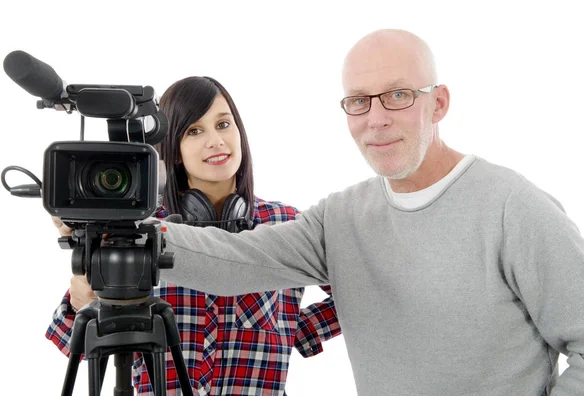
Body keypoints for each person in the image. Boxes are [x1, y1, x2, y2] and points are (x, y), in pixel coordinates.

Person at [156, 30, 584, 395]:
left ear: (438, 104)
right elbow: (232, 261)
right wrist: (121, 233)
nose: (376, 119)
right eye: (359, 101)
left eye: (397, 96)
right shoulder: (339, 218)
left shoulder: (512, 206)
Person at [46, 76, 341, 396]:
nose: (215, 141)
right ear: (173, 151)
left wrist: (299, 330)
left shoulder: (285, 224)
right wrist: (80, 301)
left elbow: (357, 286)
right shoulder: (142, 232)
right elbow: (67, 335)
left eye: (224, 124)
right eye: (194, 131)